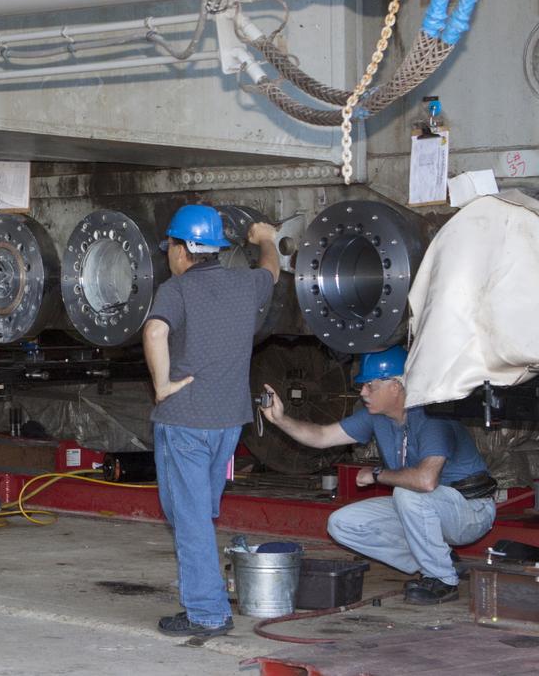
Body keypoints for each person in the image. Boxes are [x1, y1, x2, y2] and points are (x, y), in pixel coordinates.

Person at [260, 344, 496, 605]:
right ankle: (441, 560)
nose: (362, 393)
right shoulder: (376, 417)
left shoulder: (432, 417)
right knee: (341, 524)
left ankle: (442, 580)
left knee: (408, 492)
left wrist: (376, 474)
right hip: (427, 507)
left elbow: (426, 481)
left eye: (370, 386)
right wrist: (281, 420)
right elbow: (322, 436)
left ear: (395, 386)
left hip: (470, 510)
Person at [143, 204, 279, 638]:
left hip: (184, 422)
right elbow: (272, 271)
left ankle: (206, 612)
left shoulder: (176, 290)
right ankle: (205, 594)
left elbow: (154, 332)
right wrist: (267, 240)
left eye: (171, 247)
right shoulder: (247, 284)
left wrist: (162, 385)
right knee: (199, 511)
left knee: (190, 518)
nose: (170, 255)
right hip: (228, 424)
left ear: (183, 250)